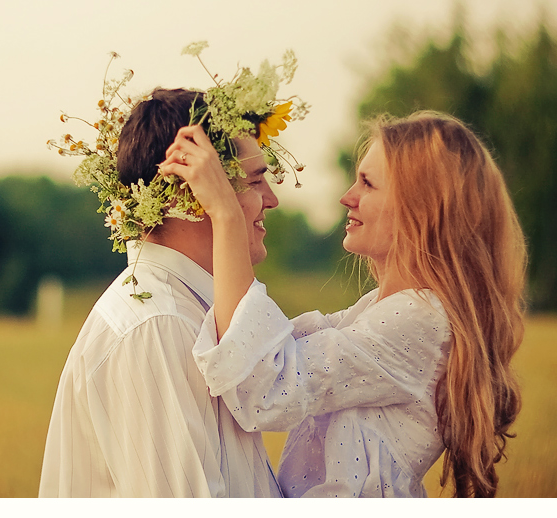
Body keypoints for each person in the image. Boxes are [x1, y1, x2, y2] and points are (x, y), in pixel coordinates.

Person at [159, 111, 527, 497]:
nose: (346, 197)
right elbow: (272, 344)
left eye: (368, 183)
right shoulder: (381, 310)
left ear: (422, 207)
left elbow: (265, 388)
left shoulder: (419, 319)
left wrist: (227, 214)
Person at [38, 88, 283, 497]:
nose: (272, 199)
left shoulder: (191, 311)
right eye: (256, 181)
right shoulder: (156, 326)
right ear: (193, 189)